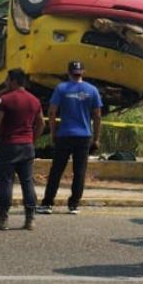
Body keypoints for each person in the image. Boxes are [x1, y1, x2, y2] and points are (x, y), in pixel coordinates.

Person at [38, 60, 102, 215]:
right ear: (83, 72)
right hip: (84, 136)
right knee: (79, 171)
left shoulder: (61, 88)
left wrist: (53, 132)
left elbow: (52, 112)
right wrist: (97, 138)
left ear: (68, 72)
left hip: (65, 135)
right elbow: (98, 116)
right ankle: (74, 204)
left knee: (57, 170)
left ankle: (48, 203)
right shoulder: (92, 90)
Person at [0, 68, 43, 231]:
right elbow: (41, 123)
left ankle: (3, 219)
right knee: (27, 182)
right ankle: (30, 219)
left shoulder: (4, 99)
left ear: (13, 81)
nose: (5, 83)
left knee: (5, 182)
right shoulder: (35, 100)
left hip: (8, 146)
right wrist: (33, 140)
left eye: (7, 79)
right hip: (27, 146)